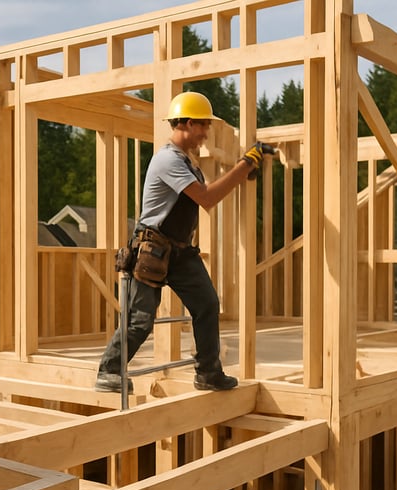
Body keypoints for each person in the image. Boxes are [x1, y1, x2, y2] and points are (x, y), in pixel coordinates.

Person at [94, 91, 273, 393]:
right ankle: (109, 371)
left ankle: (208, 373)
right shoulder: (167, 160)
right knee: (140, 320)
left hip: (179, 251)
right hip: (152, 248)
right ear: (188, 124)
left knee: (206, 304)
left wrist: (244, 172)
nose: (206, 134)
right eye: (204, 126)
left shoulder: (187, 163)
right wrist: (244, 165)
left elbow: (205, 193)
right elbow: (207, 198)